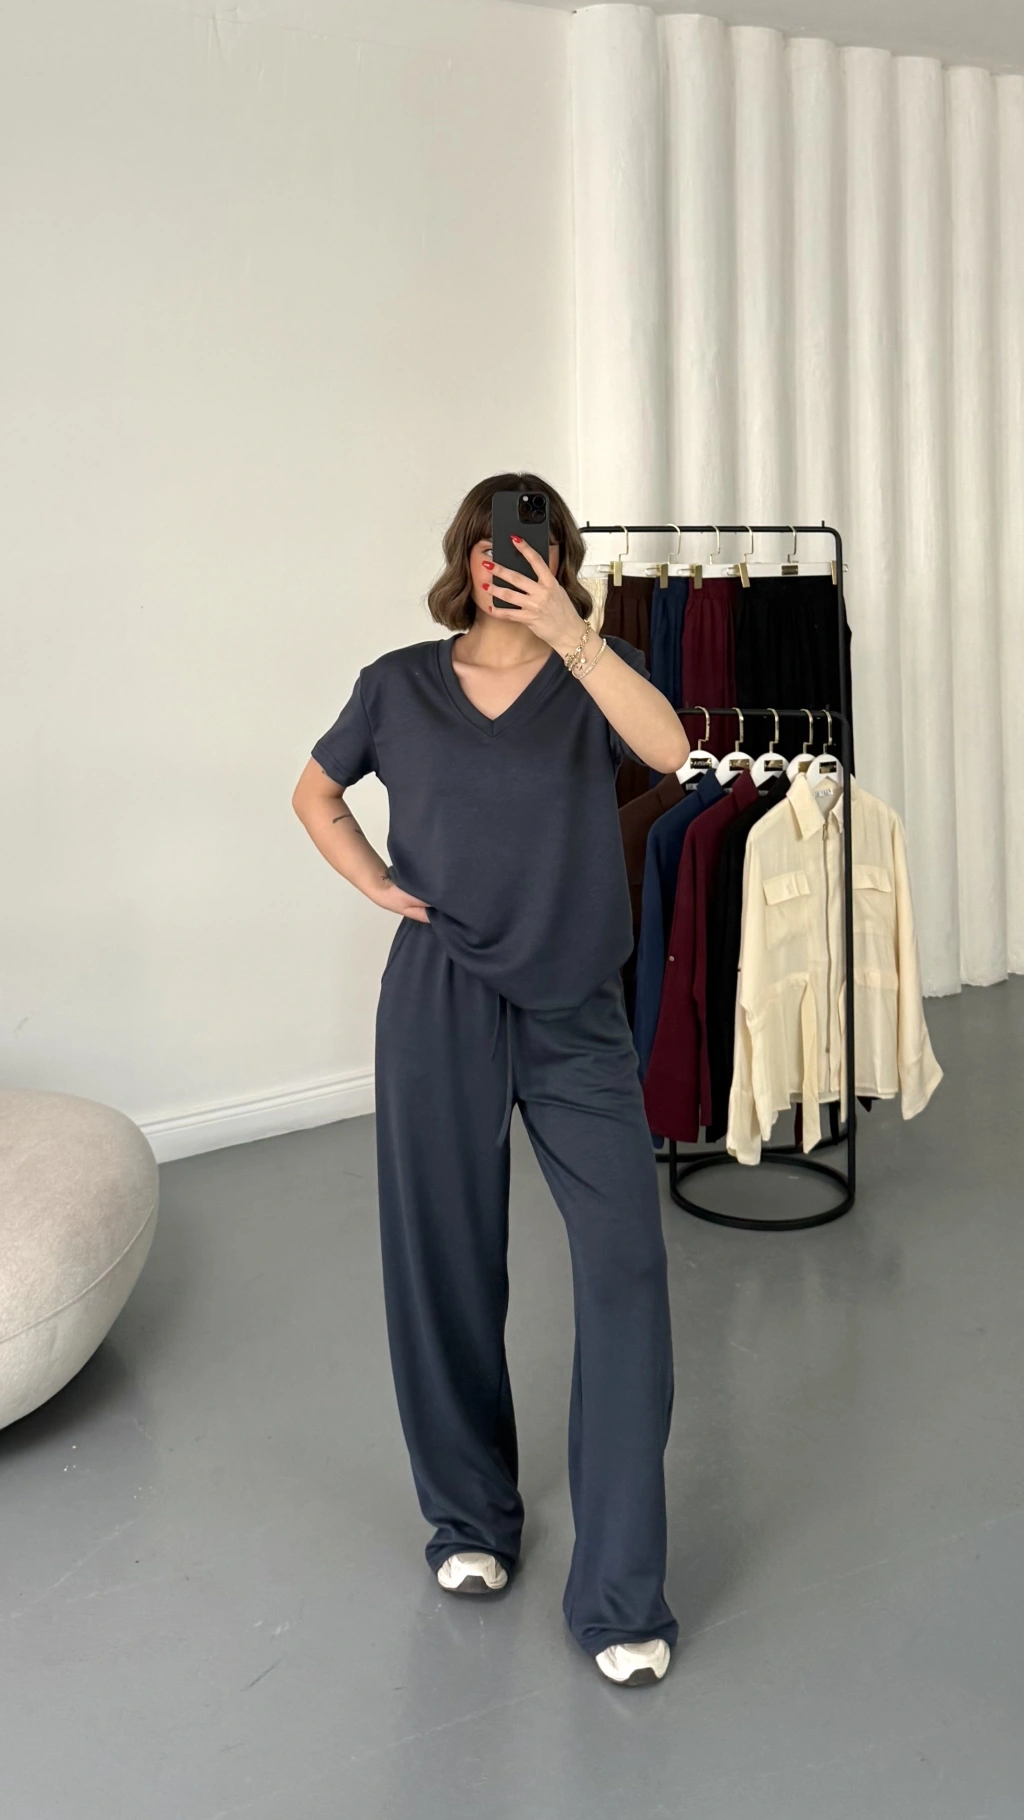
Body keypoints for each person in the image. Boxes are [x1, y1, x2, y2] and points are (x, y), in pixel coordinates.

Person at [292, 472, 690, 1687]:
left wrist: (577, 637)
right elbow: (314, 791)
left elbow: (672, 751)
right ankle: (471, 1515)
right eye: (485, 537)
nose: (502, 556)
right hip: (439, 999)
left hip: (576, 1010)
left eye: (529, 541)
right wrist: (374, 880)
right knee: (446, 1261)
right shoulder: (396, 684)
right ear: (463, 553)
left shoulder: (592, 677)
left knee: (624, 1268)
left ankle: (619, 1591)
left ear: (557, 558)